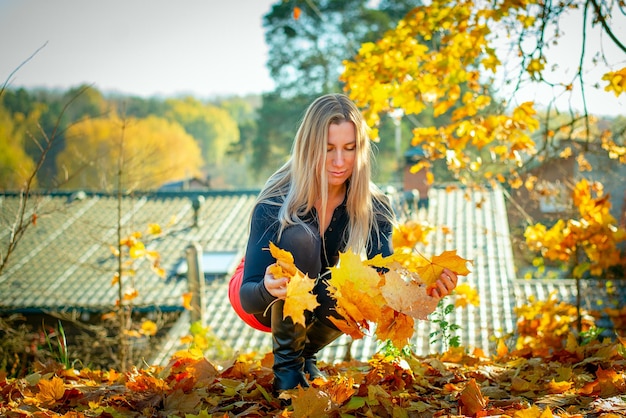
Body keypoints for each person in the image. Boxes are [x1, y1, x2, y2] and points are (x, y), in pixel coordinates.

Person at [237, 93, 458, 393]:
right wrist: (266, 287)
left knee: (360, 284)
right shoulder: (276, 200)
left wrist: (425, 291)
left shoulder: (374, 205)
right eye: (327, 149)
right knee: (302, 237)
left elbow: (383, 281)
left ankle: (304, 356)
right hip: (261, 294)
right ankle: (287, 373)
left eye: (349, 148)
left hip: (313, 295)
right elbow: (248, 297)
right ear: (308, 148)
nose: (339, 162)